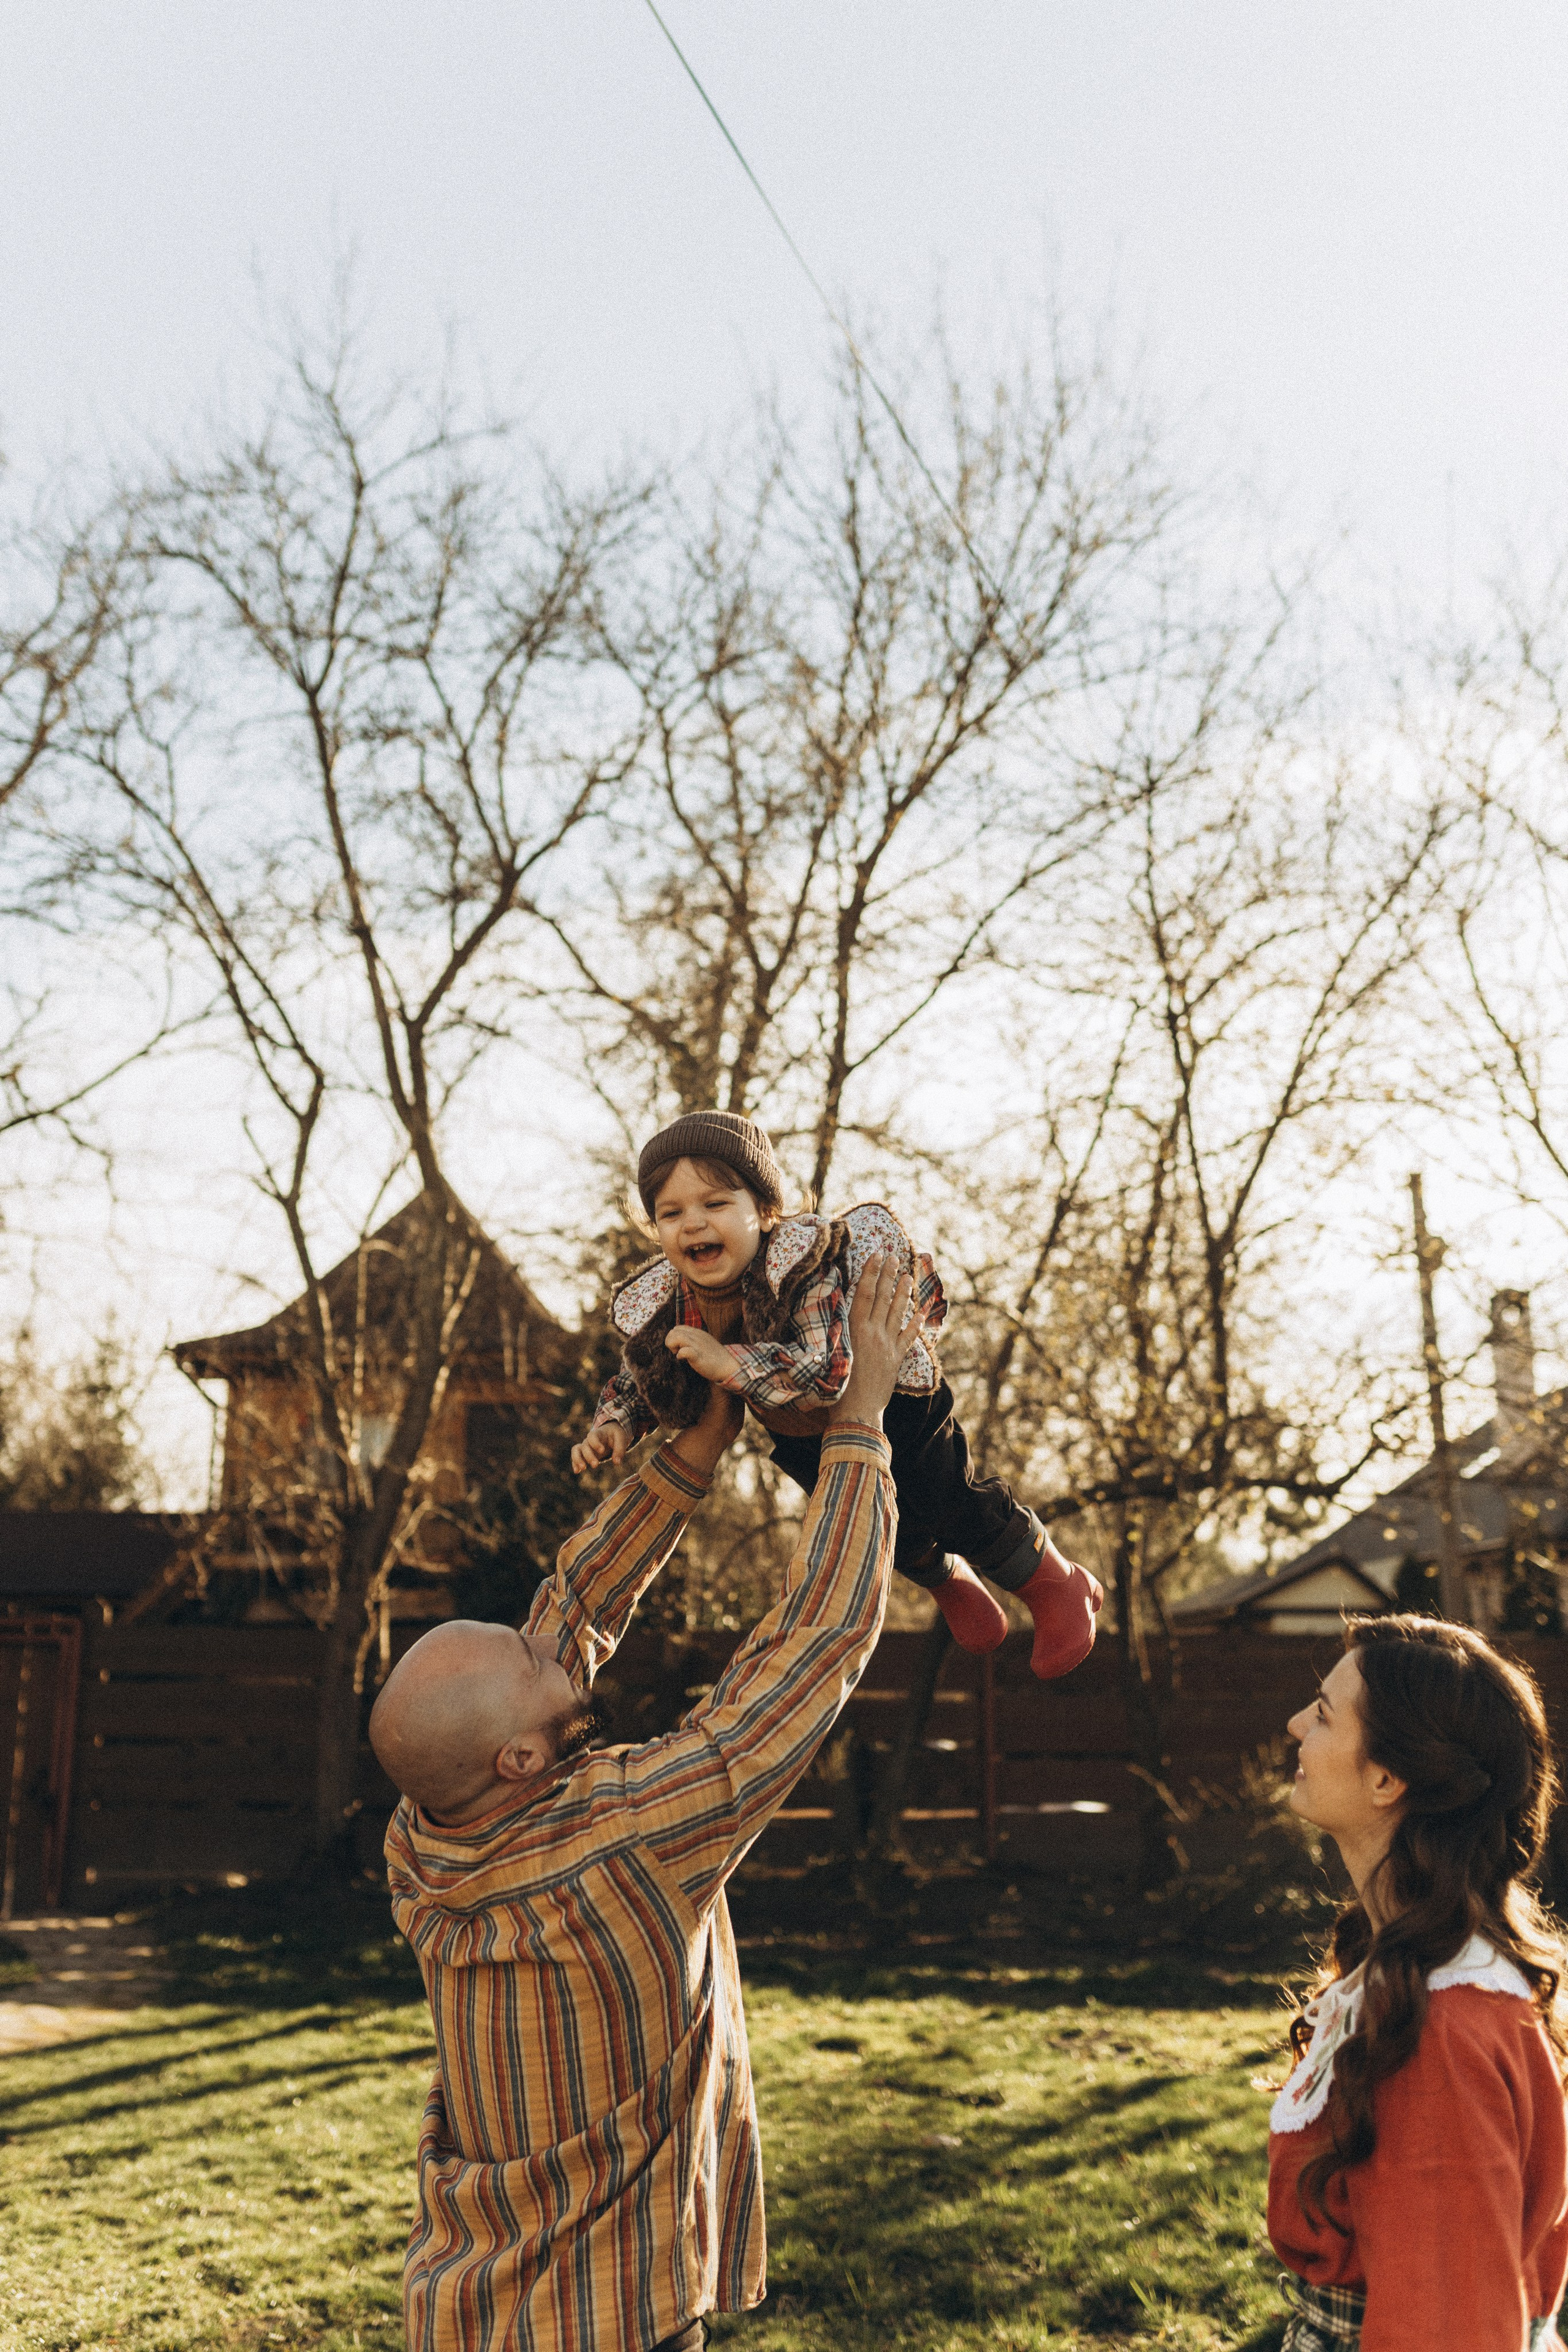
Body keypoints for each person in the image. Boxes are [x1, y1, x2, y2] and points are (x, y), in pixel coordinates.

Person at [371, 1252, 919, 2352]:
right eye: (526, 1655)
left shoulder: (425, 1840)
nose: (542, 1631)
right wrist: (860, 1422)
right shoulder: (620, 1840)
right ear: (522, 1760)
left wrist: (694, 1453)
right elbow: (809, 1653)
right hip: (615, 2318)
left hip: (471, 2311)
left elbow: (570, 1605)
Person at [570, 1108, 1101, 1679]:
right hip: (804, 1431)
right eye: (669, 1213)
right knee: (875, 1524)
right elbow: (646, 1371)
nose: (692, 1224)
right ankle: (947, 1580)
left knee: (948, 1501)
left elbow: (825, 1368)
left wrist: (729, 1361)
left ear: (764, 1210)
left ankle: (1056, 1582)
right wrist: (617, 1424)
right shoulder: (677, 1297)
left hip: (893, 1402)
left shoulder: (801, 1265)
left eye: (715, 1204)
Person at [1268, 1611, 1568, 2351]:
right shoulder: (1424, 1972)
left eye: (1325, 1715)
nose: (1294, 1724)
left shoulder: (1435, 2033)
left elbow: (1450, 2326)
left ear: (1386, 1778)